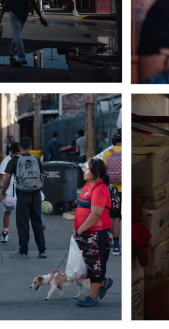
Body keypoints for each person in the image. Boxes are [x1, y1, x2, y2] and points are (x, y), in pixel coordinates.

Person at [70, 158, 115, 307]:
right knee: (89, 264)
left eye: (87, 169)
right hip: (84, 233)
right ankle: (104, 282)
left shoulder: (100, 188)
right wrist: (76, 229)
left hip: (97, 234)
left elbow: (95, 214)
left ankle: (92, 297)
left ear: (96, 172)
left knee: (96, 265)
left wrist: (80, 229)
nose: (84, 171)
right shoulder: (87, 186)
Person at [0, 137, 46, 259]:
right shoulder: (36, 159)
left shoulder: (14, 161)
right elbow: (42, 178)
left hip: (22, 195)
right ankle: (42, 251)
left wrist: (2, 194)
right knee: (37, 222)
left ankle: (23, 252)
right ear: (30, 147)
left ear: (19, 147)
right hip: (35, 194)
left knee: (23, 223)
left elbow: (6, 180)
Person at [0, 0, 48, 66]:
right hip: (24, 15)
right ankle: (12, 51)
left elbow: (6, 1)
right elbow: (34, 3)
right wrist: (40, 17)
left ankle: (22, 57)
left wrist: (1, 15)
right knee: (17, 34)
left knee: (17, 35)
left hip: (14, 13)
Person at [0, 142, 20, 243]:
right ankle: (5, 233)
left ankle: (37, 224)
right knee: (7, 213)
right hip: (9, 194)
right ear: (12, 153)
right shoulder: (6, 162)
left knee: (25, 213)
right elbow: (0, 179)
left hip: (21, 192)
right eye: (17, 153)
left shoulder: (21, 159)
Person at [102, 130, 122, 255]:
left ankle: (116, 247)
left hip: (114, 191)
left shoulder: (107, 153)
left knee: (115, 219)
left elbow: (103, 174)